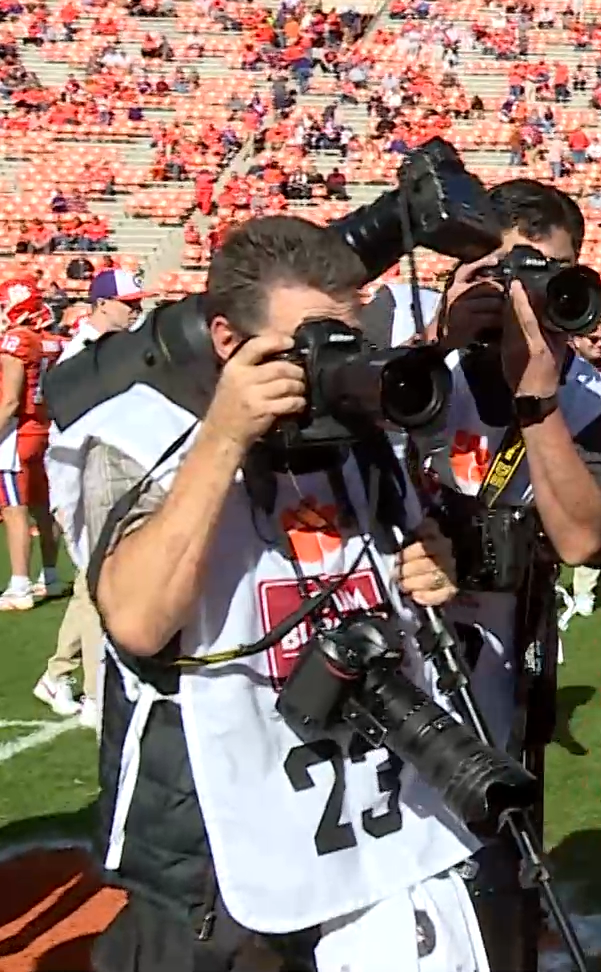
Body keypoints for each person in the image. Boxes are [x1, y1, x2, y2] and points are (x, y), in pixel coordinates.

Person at [47, 216, 488, 969]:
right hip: (206, 842)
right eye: (305, 346)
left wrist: (430, 573)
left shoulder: (360, 436)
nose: (329, 367)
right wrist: (224, 435)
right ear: (228, 342)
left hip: (364, 820)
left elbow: (405, 587)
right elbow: (139, 622)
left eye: (344, 341)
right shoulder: (134, 434)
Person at [425, 178, 601, 970]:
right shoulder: (409, 349)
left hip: (501, 664)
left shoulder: (590, 396)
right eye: (501, 271)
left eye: (543, 274)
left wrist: (537, 399)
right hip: (392, 651)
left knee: (495, 886)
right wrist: (436, 337)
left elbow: (584, 535)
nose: (519, 296)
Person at [31, 267, 148, 726]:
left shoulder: (113, 352)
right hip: (85, 485)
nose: (136, 311)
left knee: (90, 588)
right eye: (128, 303)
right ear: (101, 305)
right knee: (102, 588)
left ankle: (57, 674)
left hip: (111, 481)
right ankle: (98, 695)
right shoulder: (81, 358)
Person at [0, 276, 62, 611]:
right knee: (42, 507)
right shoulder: (50, 341)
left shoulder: (15, 341)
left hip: (17, 433)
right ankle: (49, 576)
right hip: (43, 428)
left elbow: (10, 401)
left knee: (15, 509)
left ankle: (20, 584)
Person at [563, 326, 601, 625]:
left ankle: (584, 591)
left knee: (592, 524)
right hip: (555, 460)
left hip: (593, 460)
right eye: (594, 339)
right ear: (574, 340)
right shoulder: (556, 371)